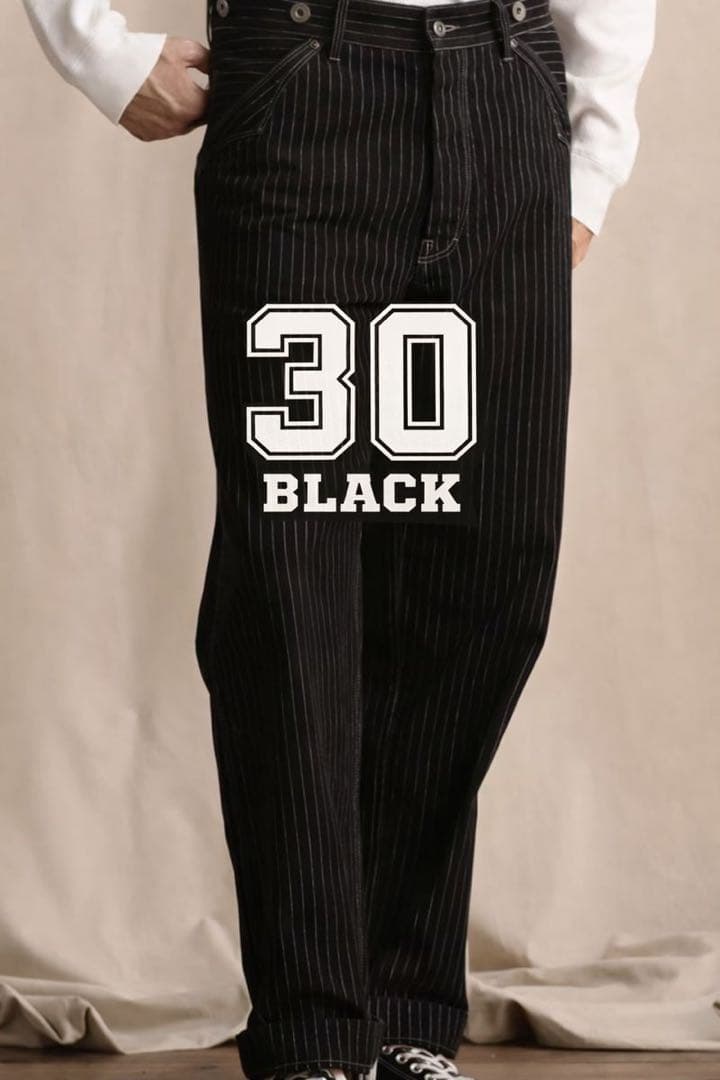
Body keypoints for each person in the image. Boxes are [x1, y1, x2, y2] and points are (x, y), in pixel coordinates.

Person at [21, 2, 656, 1080]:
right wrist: (94, 51)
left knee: (486, 572)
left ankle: (402, 1009)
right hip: (304, 88)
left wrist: (591, 157)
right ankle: (314, 1030)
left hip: (509, 89)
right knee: (291, 581)